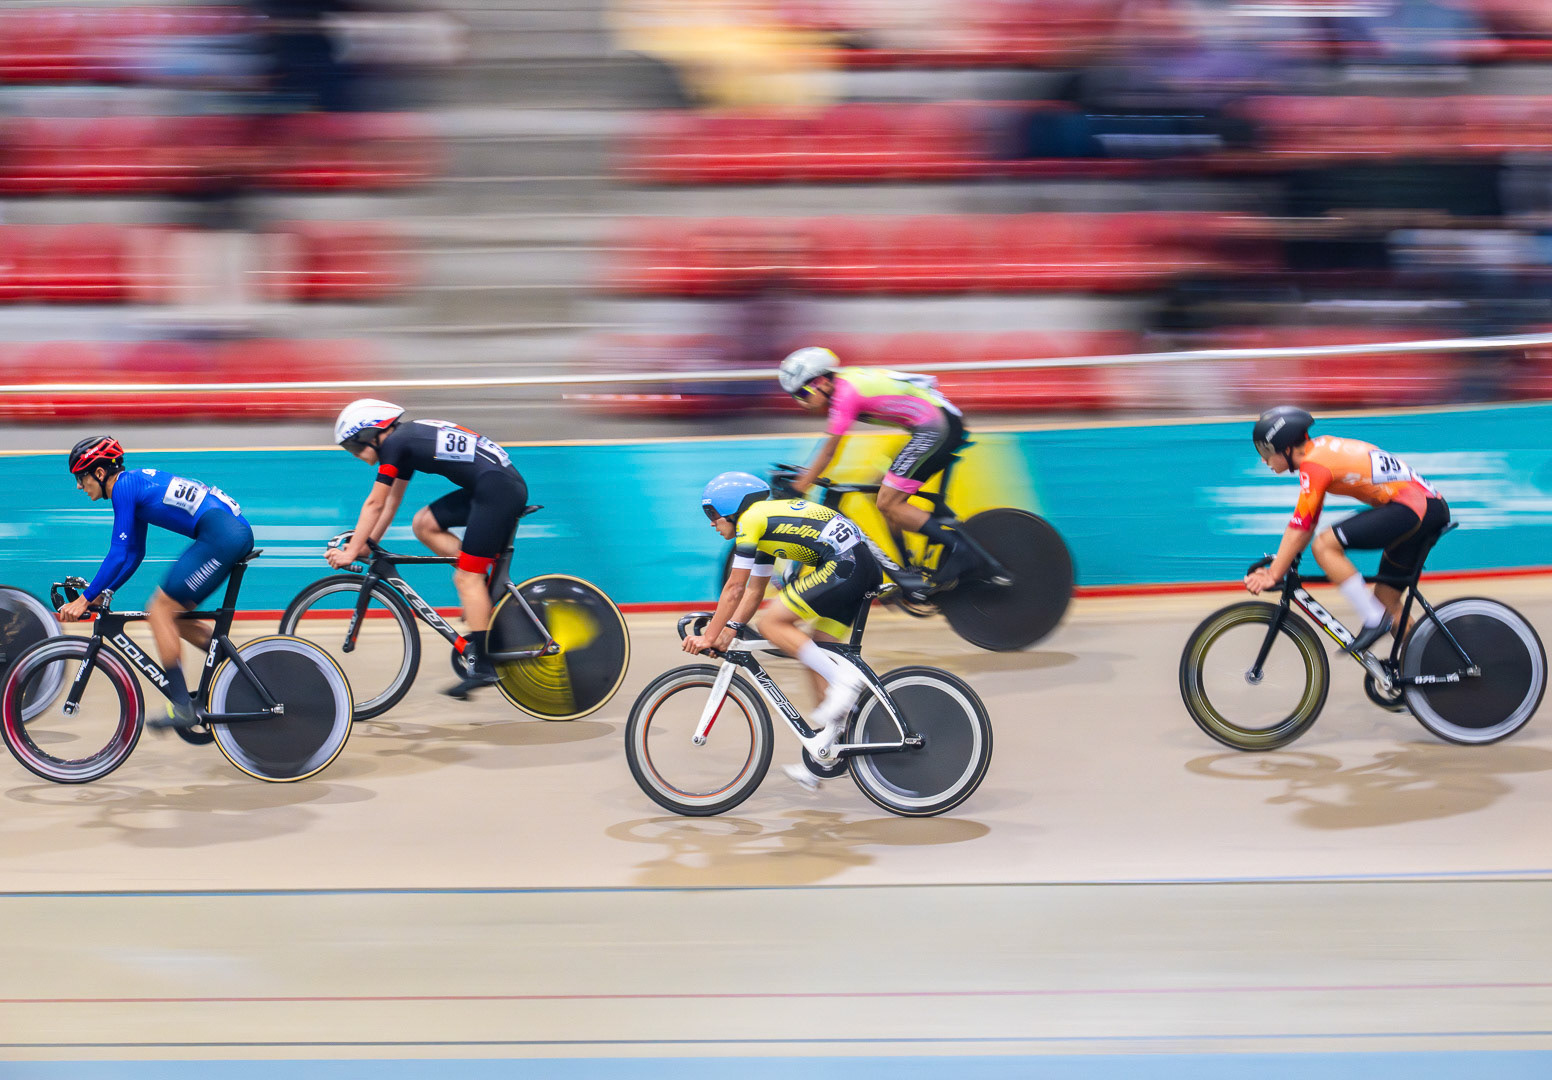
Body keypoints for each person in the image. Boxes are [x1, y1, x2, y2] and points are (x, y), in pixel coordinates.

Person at [684, 471, 881, 789]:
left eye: (712, 513)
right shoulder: (763, 526)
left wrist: (708, 636)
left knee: (772, 624)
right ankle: (826, 752)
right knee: (816, 649)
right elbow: (753, 592)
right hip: (857, 564)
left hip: (846, 564)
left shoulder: (751, 521)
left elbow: (734, 588)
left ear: (730, 507)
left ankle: (843, 680)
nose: (711, 522)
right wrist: (730, 630)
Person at [329, 399, 528, 699]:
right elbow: (391, 504)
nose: (356, 456)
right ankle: (482, 592)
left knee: (465, 578)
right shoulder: (404, 441)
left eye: (354, 448)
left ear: (371, 434)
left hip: (497, 490)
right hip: (495, 485)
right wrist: (368, 546)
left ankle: (484, 664)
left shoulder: (396, 443)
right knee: (424, 523)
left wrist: (350, 550)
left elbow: (375, 502)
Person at [58, 436, 254, 728]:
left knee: (160, 610)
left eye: (81, 477)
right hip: (226, 531)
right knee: (176, 618)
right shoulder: (132, 486)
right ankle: (248, 673)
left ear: (99, 473)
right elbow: (135, 553)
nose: (78, 486)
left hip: (222, 535)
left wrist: (86, 597)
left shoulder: (124, 487)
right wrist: (106, 591)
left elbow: (118, 552)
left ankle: (182, 705)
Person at [778, 346, 995, 591]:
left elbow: (830, 450)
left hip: (935, 428)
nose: (801, 402)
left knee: (888, 501)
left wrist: (800, 486)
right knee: (880, 489)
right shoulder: (845, 383)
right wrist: (806, 476)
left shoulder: (845, 394)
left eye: (802, 394)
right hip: (936, 425)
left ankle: (959, 550)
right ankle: (909, 569)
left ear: (820, 382)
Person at [1244, 406, 1450, 653]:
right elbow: (1306, 523)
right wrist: (1281, 563)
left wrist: (1273, 574)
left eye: (1265, 450)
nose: (1263, 459)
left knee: (1324, 545)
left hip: (1416, 507)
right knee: (1387, 602)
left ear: (1286, 447)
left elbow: (1301, 525)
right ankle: (1427, 668)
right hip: (1425, 507)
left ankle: (1374, 620)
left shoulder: (1314, 463)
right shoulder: (1321, 450)